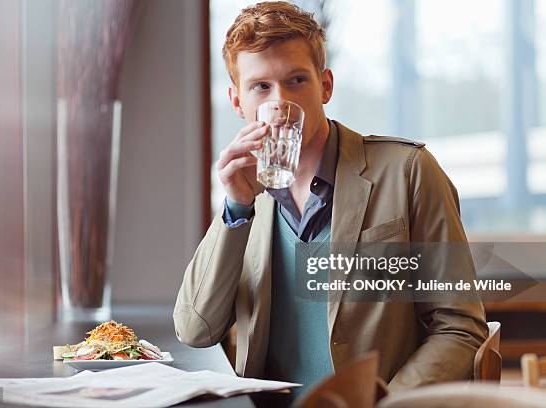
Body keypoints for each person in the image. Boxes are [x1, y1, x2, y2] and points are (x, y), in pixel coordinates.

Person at [174, 1, 488, 404]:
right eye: (261, 87)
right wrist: (236, 209)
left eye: (297, 80)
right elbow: (195, 329)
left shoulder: (408, 170)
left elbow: (459, 327)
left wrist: (387, 403)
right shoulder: (249, 198)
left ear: (325, 85)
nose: (281, 102)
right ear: (238, 102)